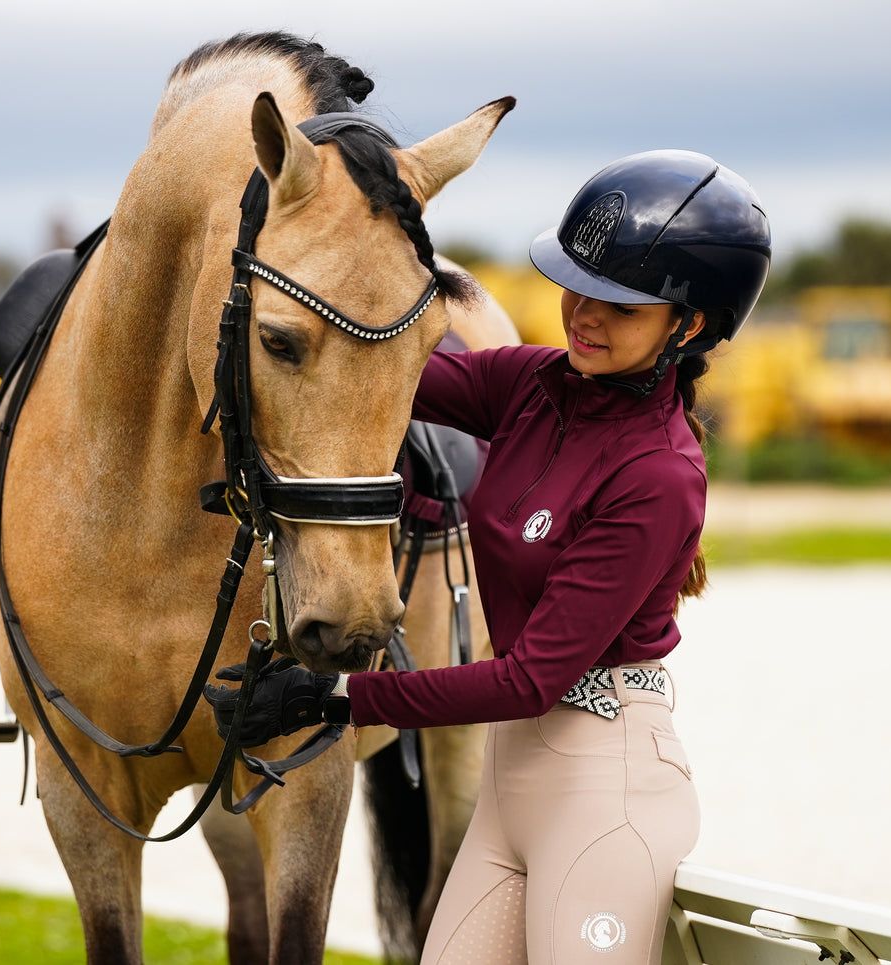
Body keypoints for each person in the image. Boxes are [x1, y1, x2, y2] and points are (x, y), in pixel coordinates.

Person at [208, 149, 771, 964]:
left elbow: (529, 678)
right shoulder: (533, 385)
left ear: (686, 327)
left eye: (621, 304)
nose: (583, 311)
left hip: (602, 785)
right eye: (578, 284)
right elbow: (378, 360)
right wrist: (300, 272)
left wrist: (329, 697)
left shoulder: (658, 475)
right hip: (512, 777)